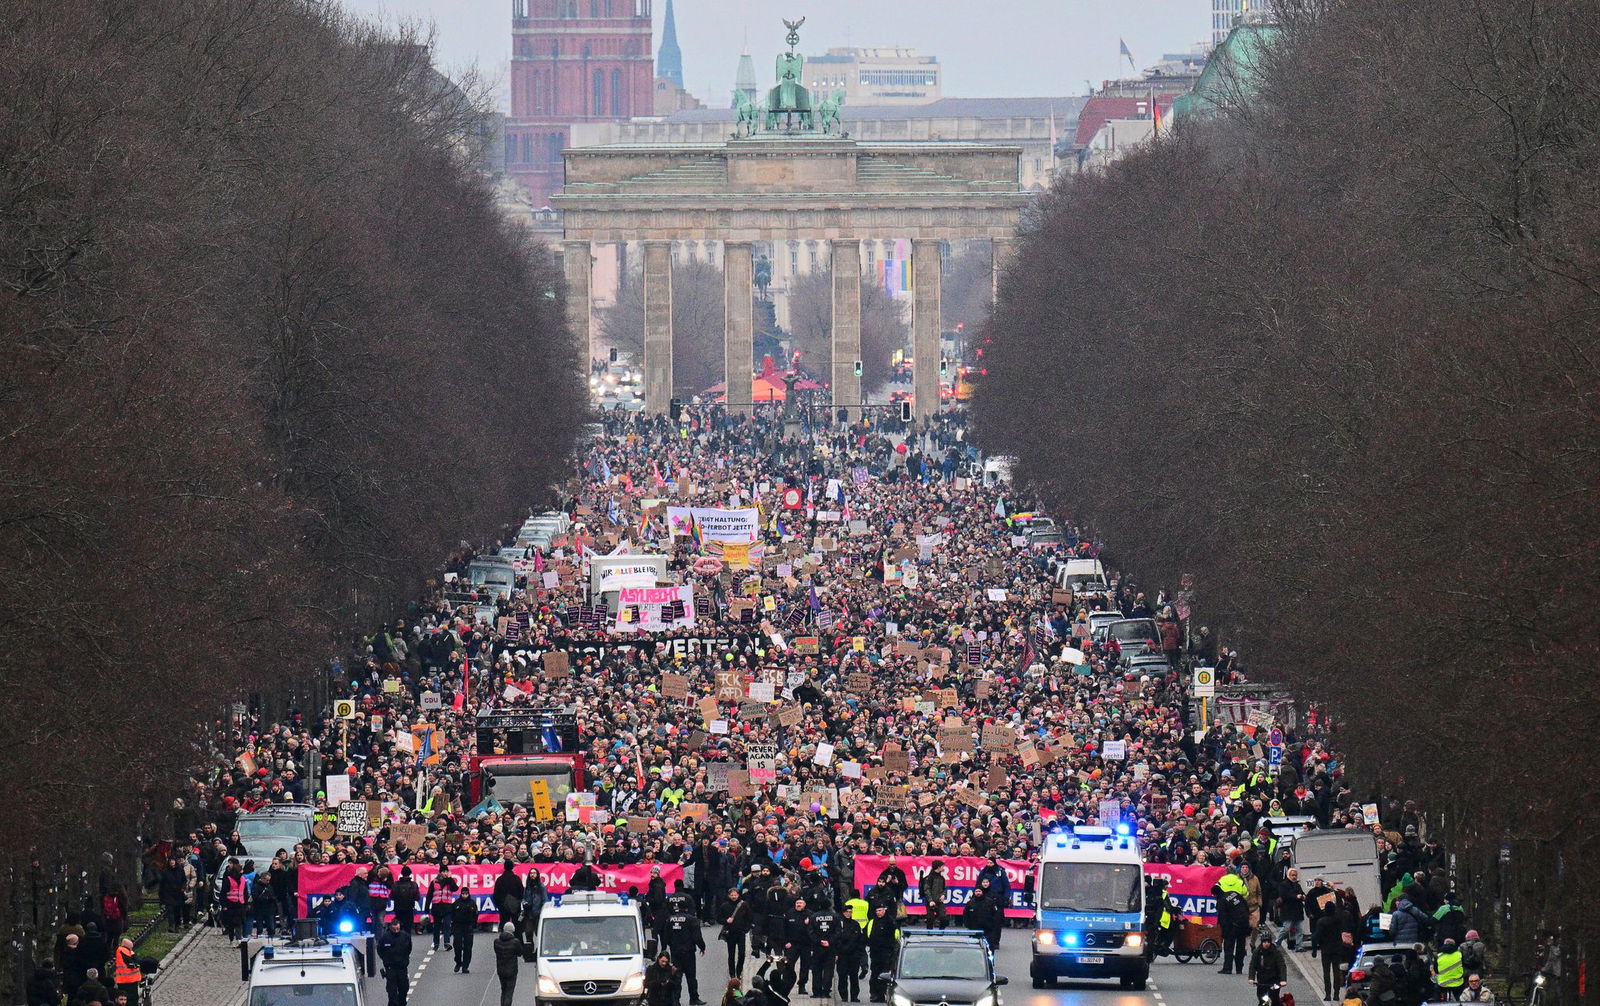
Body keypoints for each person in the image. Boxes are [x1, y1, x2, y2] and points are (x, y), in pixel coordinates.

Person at [1214, 869, 1251, 975]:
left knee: (1229, 947)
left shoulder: (1221, 900)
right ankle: (1239, 968)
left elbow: (1223, 917)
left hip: (1232, 926)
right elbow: (1245, 902)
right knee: (1240, 946)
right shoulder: (1235, 893)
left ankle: (1227, 968)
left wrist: (1224, 932)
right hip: (1243, 923)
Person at [806, 900, 841, 1000]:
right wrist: (829, 941)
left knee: (816, 969)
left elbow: (810, 931)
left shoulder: (814, 917)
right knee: (828, 970)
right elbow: (838, 931)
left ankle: (816, 992)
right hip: (830, 947)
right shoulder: (835, 917)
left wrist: (818, 941)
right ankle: (826, 991)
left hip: (817, 948)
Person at [864, 905, 899, 1003]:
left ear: (884, 910)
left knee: (884, 975)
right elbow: (867, 935)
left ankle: (883, 994)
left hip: (887, 953)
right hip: (875, 953)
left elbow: (896, 936)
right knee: (874, 974)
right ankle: (874, 994)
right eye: (877, 911)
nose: (878, 913)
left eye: (880, 910)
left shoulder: (890, 922)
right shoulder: (872, 922)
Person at [376, 917, 413, 1006]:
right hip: (390, 968)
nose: (396, 931)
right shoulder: (385, 937)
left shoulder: (405, 936)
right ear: (391, 928)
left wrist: (404, 959)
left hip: (402, 968)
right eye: (394, 929)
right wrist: (386, 959)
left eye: (398, 929)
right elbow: (380, 950)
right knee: (392, 992)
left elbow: (409, 949)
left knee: (404, 989)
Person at [1247, 925, 1287, 1006]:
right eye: (1264, 942)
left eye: (1268, 942)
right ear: (1262, 942)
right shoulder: (1257, 952)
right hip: (1262, 981)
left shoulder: (1276, 952)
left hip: (1274, 981)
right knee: (1262, 1000)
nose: (1266, 944)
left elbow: (1281, 966)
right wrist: (1251, 978)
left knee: (1275, 999)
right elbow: (1253, 965)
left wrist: (1283, 980)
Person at [962, 878, 1003, 951]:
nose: (978, 893)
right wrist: (968, 925)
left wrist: (992, 926)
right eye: (976, 891)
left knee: (988, 950)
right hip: (974, 930)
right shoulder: (970, 903)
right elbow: (965, 915)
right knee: (974, 949)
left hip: (987, 930)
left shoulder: (989, 902)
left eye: (979, 891)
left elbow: (996, 915)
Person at [719, 886, 752, 978]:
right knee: (731, 954)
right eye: (732, 895)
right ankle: (732, 974)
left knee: (742, 953)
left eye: (735, 895)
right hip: (730, 933)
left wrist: (746, 929)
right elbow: (719, 918)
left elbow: (749, 918)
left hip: (741, 932)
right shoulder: (724, 906)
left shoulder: (744, 905)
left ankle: (739, 971)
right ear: (729, 896)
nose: (734, 897)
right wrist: (726, 920)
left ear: (738, 895)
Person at [834, 912, 866, 1004]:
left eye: (850, 912)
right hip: (842, 954)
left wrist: (859, 952)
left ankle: (854, 996)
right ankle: (844, 995)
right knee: (842, 975)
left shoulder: (855, 924)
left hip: (854, 955)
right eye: (846, 912)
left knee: (854, 976)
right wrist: (838, 951)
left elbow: (860, 939)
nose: (848, 914)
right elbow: (836, 938)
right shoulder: (839, 924)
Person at [451, 885, 479, 974]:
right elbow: (452, 914)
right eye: (463, 893)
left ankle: (465, 966)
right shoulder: (456, 903)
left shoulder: (472, 903)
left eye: (466, 894)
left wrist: (474, 925)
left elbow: (475, 915)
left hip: (468, 926)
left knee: (468, 947)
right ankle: (458, 962)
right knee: (457, 946)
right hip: (458, 926)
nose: (465, 895)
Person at [1276, 868, 1306, 951]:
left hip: (1297, 910)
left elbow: (1302, 893)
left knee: (1299, 930)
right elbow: (1284, 895)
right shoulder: (1283, 885)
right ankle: (1277, 942)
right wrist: (1296, 896)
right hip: (1288, 911)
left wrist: (1303, 896)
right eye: (1293, 875)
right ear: (1288, 875)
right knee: (1286, 928)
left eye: (1295, 875)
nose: (1294, 877)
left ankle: (1299, 946)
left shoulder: (1297, 885)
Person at [493, 922, 521, 1006]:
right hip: (512, 970)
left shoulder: (496, 942)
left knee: (503, 990)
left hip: (501, 970)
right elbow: (520, 952)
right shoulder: (515, 942)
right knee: (509, 992)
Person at [492, 861, 523, 929]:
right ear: (512, 867)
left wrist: (500, 904)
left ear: (504, 867)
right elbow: (521, 892)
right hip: (515, 905)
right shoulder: (516, 878)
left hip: (503, 906)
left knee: (504, 925)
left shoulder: (500, 879)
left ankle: (504, 938)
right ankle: (518, 939)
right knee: (517, 925)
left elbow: (496, 894)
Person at [918, 861, 949, 930]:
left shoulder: (941, 877)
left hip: (939, 901)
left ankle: (941, 932)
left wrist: (943, 895)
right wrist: (930, 900)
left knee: (943, 917)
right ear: (938, 867)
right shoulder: (929, 877)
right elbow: (926, 889)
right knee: (930, 918)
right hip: (930, 901)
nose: (944, 868)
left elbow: (944, 888)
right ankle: (929, 932)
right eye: (942, 866)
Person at [111, 937, 142, 1006]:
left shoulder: (126, 951)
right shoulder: (123, 950)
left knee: (128, 998)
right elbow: (132, 962)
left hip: (127, 979)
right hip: (127, 979)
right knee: (130, 998)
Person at [391, 867, 420, 934]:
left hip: (398, 908)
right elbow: (417, 897)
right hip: (409, 908)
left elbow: (392, 896)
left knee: (398, 928)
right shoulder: (413, 884)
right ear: (410, 873)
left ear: (401, 873)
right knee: (408, 928)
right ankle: (407, 942)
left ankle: (398, 942)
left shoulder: (396, 884)